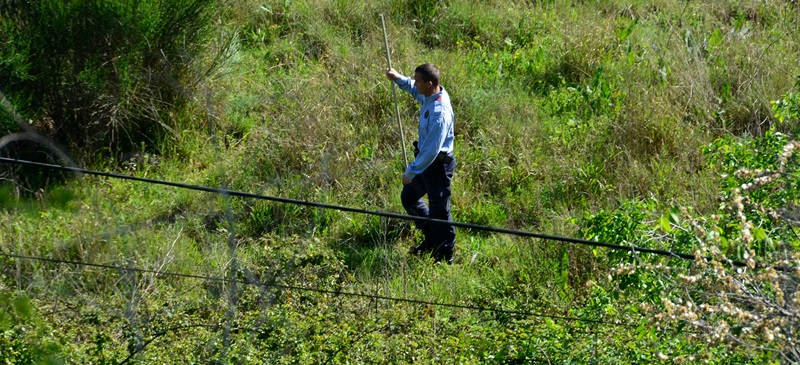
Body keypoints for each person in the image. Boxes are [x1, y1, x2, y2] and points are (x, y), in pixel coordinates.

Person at [385, 63, 456, 264]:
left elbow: (431, 150)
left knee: (439, 211)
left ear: (429, 83)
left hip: (437, 166)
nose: (414, 84)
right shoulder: (428, 94)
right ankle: (432, 238)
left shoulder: (438, 113)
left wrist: (412, 171)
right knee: (409, 198)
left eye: (417, 81)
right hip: (427, 163)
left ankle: (445, 254)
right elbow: (413, 90)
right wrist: (398, 78)